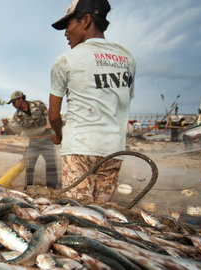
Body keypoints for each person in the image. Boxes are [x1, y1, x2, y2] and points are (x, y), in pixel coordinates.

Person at [48, 0, 136, 202]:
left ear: (86, 20)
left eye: (69, 25)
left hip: (79, 149)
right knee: (100, 213)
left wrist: (60, 136)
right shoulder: (128, 58)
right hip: (114, 150)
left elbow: (53, 116)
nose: (65, 33)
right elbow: (122, 102)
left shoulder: (67, 60)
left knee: (78, 214)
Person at [3, 90, 59, 189]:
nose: (13, 105)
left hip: (47, 138)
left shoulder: (38, 104)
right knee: (29, 165)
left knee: (50, 164)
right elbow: (19, 131)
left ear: (20, 99)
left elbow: (49, 114)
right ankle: (28, 187)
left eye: (14, 101)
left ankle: (52, 188)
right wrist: (7, 125)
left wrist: (50, 125)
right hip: (34, 141)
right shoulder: (17, 116)